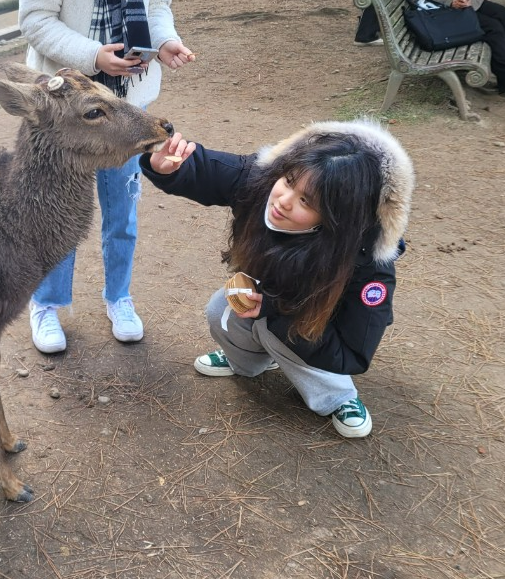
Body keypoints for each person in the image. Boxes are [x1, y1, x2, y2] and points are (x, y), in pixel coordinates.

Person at [17, 0, 196, 354]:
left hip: (128, 102)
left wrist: (165, 42)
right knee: (60, 212)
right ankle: (46, 302)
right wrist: (93, 56)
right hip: (70, 105)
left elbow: (158, 5)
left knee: (122, 210)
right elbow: (36, 20)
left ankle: (118, 296)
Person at [140, 118, 415, 439]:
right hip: (273, 298)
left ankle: (338, 397)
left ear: (337, 219)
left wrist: (273, 310)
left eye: (306, 201)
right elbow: (213, 171)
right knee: (220, 308)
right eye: (289, 180)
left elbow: (352, 352)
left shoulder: (368, 265)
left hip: (322, 328)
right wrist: (170, 168)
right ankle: (249, 363)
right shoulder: (267, 182)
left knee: (279, 331)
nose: (283, 200)